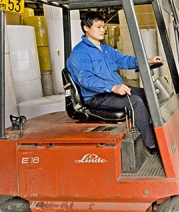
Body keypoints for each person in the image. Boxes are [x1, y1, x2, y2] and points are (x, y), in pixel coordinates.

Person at [66, 11, 162, 150]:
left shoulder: (105, 49)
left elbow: (124, 60)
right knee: (136, 102)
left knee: (148, 94)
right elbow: (86, 79)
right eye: (98, 27)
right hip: (95, 96)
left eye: (103, 27)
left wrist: (147, 61)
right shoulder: (79, 53)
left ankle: (151, 130)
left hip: (110, 91)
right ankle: (151, 144)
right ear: (86, 28)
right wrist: (112, 87)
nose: (103, 30)